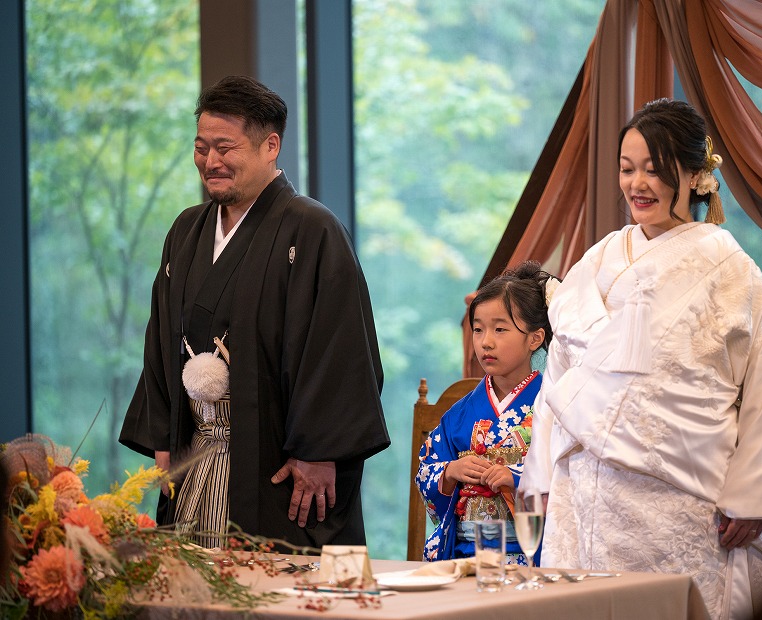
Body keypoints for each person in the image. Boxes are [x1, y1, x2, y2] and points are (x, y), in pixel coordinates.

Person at [519, 99, 762, 620]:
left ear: (696, 175)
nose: (637, 185)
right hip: (582, 492)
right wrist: (540, 474)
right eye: (627, 169)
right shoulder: (599, 258)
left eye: (655, 171)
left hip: (676, 497)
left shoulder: (731, 269)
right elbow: (560, 377)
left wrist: (754, 498)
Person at [120, 75, 390, 549]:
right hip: (195, 452)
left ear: (271, 146)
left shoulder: (312, 229)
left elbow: (339, 346)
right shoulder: (185, 231)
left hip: (277, 458)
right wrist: (163, 436)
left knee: (274, 580)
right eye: (201, 147)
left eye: (226, 147)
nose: (211, 161)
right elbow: (160, 340)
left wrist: (321, 452)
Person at [416, 261, 555, 562]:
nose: (485, 342)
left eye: (500, 329)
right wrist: (449, 472)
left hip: (529, 555)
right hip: (464, 554)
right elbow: (426, 470)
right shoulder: (460, 413)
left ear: (535, 338)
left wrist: (518, 480)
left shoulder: (553, 407)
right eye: (478, 329)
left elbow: (571, 482)